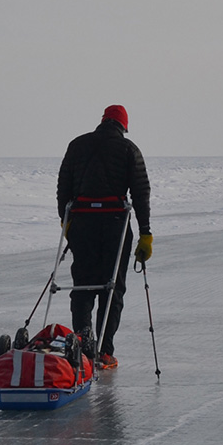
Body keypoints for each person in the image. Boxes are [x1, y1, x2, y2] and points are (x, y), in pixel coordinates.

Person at [57, 105, 152, 369]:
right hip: (115, 226)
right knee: (113, 287)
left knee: (83, 285)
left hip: (82, 224)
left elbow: (62, 188)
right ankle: (104, 351)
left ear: (103, 121)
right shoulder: (128, 149)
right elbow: (141, 193)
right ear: (123, 126)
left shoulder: (77, 145)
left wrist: (66, 224)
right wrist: (146, 233)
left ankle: (84, 344)